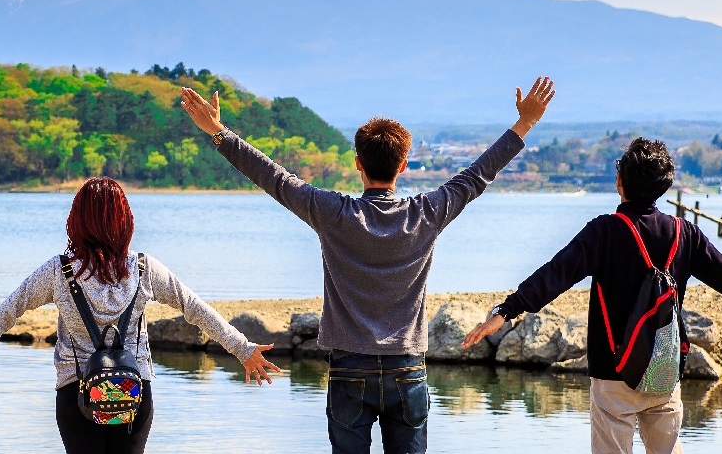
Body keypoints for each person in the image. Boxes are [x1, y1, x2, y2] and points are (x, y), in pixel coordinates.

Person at [179, 76, 557, 454]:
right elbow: (478, 175)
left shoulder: (333, 213)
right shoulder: (427, 213)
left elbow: (273, 177)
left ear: (358, 163)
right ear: (404, 165)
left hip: (349, 370)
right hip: (407, 370)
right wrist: (525, 124)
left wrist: (217, 131)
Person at [461, 137, 722, 454]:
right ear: (664, 186)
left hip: (612, 374)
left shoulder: (604, 232)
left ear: (620, 181)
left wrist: (505, 311)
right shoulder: (686, 235)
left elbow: (554, 276)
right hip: (664, 371)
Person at [0, 175, 282, 454]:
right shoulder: (145, 269)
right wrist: (243, 348)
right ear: (124, 220)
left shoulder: (59, 272)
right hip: (134, 391)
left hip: (77, 393)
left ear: (77, 220)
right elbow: (196, 310)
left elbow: (8, 312)